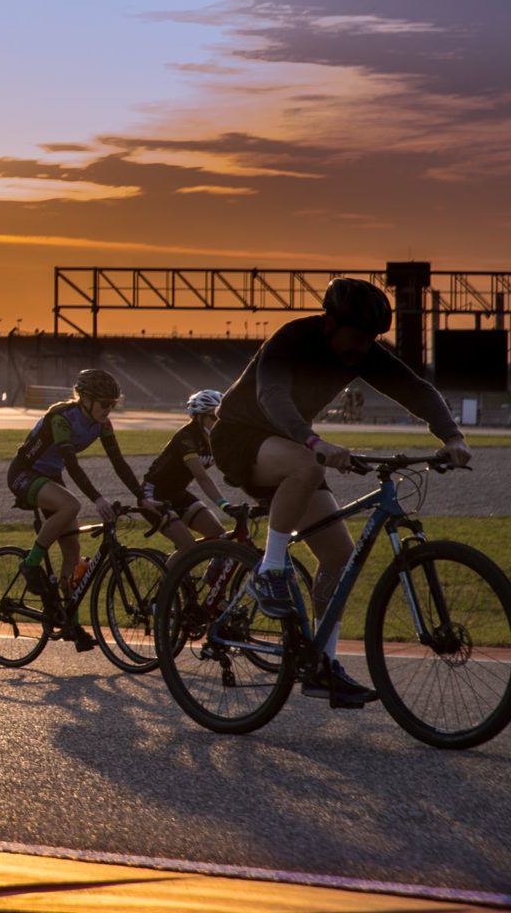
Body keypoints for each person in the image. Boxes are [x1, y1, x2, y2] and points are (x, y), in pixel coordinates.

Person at [213, 277, 470, 707]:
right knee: (303, 463)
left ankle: (322, 667)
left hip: (294, 447)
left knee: (336, 555)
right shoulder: (292, 340)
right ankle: (271, 570)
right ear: (330, 322)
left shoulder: (362, 352)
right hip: (241, 436)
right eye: (355, 337)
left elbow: (417, 391)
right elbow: (271, 395)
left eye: (370, 340)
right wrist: (315, 443)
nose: (361, 349)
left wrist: (453, 437)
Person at [5, 368, 144, 651]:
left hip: (49, 476)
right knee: (71, 504)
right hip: (24, 473)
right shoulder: (62, 418)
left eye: (113, 404)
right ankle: (30, 564)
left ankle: (71, 622)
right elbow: (71, 463)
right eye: (104, 404)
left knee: (72, 551)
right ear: (86, 400)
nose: (109, 409)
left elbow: (119, 463)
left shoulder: (103, 424)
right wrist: (97, 498)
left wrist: (143, 497)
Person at [138, 390, 233, 565]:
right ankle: (165, 591)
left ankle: (211, 586)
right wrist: (224, 504)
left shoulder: (217, 438)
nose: (219, 423)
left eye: (222, 418)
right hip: (154, 495)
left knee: (221, 539)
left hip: (177, 494)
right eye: (214, 418)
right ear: (199, 417)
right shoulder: (187, 438)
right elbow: (202, 477)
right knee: (187, 547)